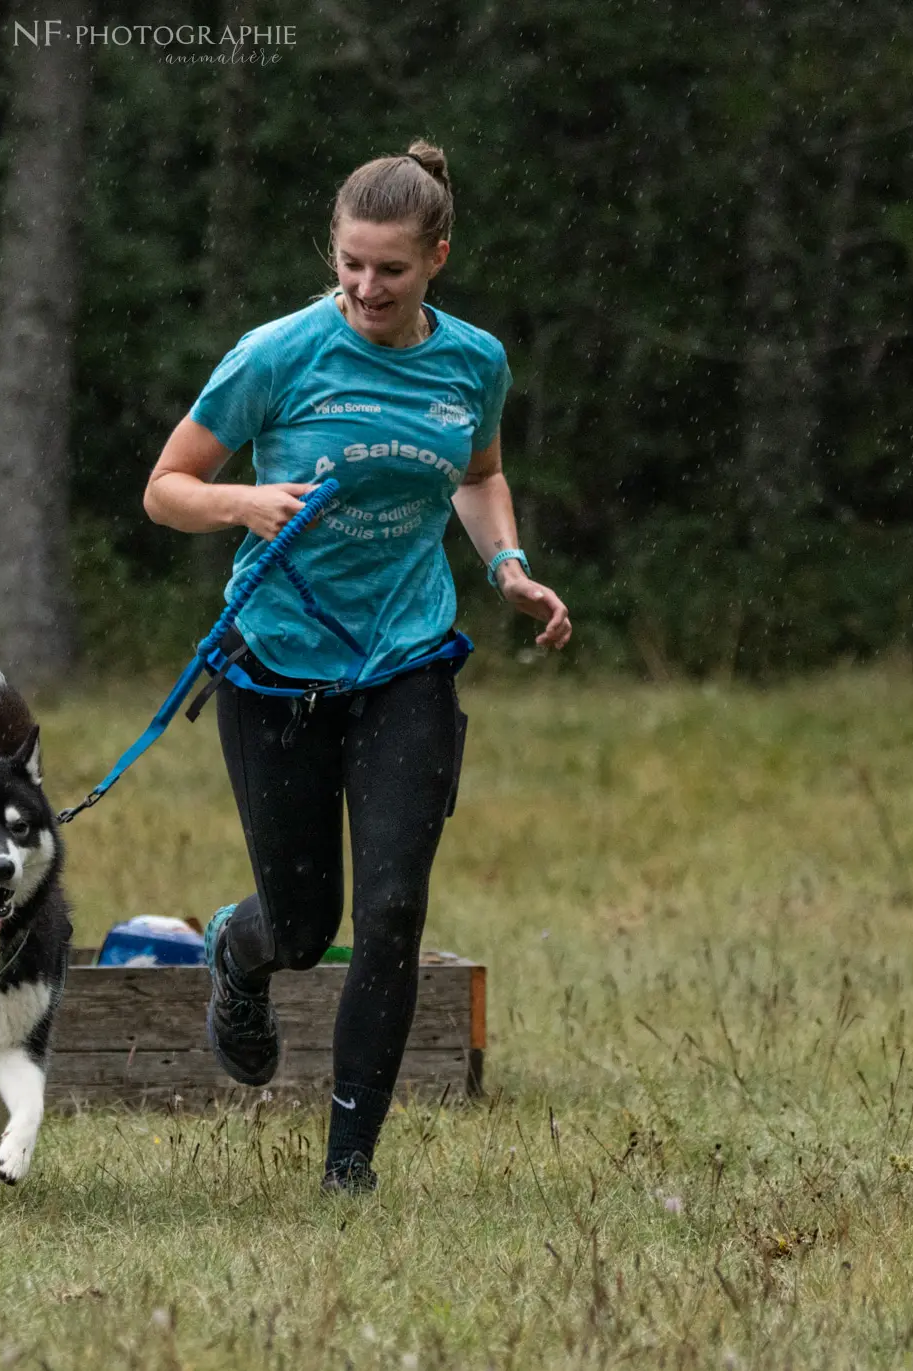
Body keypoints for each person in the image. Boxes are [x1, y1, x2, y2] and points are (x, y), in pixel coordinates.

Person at [142, 139, 571, 1194]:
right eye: (348, 265)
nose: (365, 287)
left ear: (436, 257)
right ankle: (237, 957)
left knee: (390, 912)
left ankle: (348, 1172)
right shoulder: (276, 355)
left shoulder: (472, 361)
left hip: (405, 661)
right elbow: (165, 487)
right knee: (302, 926)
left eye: (388, 268)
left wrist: (507, 566)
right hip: (274, 665)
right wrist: (242, 502)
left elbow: (477, 473)